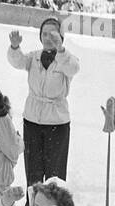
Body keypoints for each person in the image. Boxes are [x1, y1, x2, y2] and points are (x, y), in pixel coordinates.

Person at [7, 16, 79, 195]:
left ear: (61, 37)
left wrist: (60, 50)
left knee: (55, 172)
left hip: (57, 122)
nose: (48, 38)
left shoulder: (66, 58)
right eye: (45, 34)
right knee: (33, 169)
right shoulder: (34, 57)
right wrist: (15, 47)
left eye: (53, 34)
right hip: (32, 120)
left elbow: (74, 68)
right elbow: (18, 61)